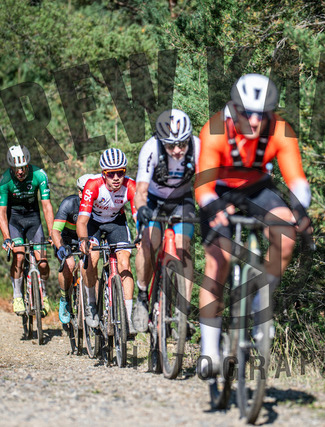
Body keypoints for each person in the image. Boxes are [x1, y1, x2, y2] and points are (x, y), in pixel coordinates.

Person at [195, 74, 312, 375]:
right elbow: (203, 185)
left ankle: (262, 302)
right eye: (248, 113)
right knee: (217, 262)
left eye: (263, 113)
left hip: (258, 188)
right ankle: (209, 349)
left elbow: (297, 180)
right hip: (219, 189)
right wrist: (213, 207)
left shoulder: (280, 130)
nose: (256, 121)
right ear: (235, 109)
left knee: (286, 232)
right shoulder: (215, 129)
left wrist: (300, 210)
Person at [132, 109, 201, 333]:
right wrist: (142, 209)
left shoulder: (198, 147)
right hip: (153, 201)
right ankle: (142, 296)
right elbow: (140, 191)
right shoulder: (150, 149)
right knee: (148, 243)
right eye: (171, 146)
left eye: (182, 144)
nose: (178, 150)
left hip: (182, 200)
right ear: (162, 142)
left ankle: (183, 311)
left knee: (183, 247)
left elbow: (207, 183)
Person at [77, 148, 137, 333]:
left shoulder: (130, 185)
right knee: (92, 259)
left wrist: (143, 236)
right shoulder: (93, 185)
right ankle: (91, 304)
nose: (116, 178)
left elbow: (140, 217)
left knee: (124, 262)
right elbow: (82, 221)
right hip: (93, 223)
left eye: (120, 172)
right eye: (111, 174)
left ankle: (128, 317)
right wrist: (83, 240)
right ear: (104, 174)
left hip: (115, 222)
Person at [0, 145, 54, 316]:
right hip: (14, 221)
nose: (20, 172)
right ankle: (17, 296)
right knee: (19, 256)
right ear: (11, 167)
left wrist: (52, 233)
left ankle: (43, 293)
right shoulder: (5, 180)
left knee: (42, 262)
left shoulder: (39, 175)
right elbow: (2, 212)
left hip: (33, 220)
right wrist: (6, 237)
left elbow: (46, 206)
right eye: (16, 168)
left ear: (28, 165)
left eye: (23, 167)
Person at [51, 173, 100, 325]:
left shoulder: (98, 206)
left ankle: (95, 306)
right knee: (69, 265)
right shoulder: (68, 204)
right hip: (67, 239)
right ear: (80, 193)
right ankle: (65, 298)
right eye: (86, 192)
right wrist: (60, 247)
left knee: (92, 263)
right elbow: (55, 231)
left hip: (85, 238)